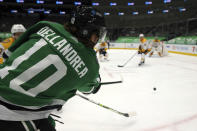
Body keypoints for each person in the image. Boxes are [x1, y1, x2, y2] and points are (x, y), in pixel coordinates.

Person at [0, 6, 106, 131]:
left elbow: (7, 55)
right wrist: (96, 81)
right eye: (97, 33)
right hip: (13, 112)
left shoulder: (45, 26)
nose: (98, 37)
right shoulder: (90, 64)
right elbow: (89, 89)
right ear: (86, 31)